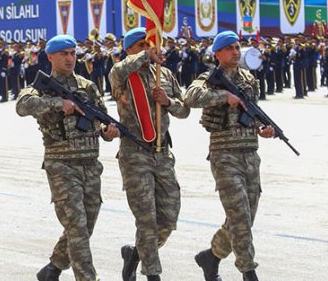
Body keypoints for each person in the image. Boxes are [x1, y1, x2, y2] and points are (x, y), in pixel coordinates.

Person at [16, 34, 119, 281]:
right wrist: (57, 103)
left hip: (91, 166)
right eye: (64, 54)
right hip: (62, 166)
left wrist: (109, 132)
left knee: (86, 226)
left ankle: (53, 269)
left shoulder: (87, 86)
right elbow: (22, 105)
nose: (70, 58)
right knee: (77, 229)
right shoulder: (41, 87)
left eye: (73, 53)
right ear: (50, 56)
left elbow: (101, 119)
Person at [183, 31, 276, 281]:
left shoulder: (248, 79)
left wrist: (263, 129)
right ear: (218, 54)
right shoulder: (209, 78)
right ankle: (248, 271)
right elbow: (190, 97)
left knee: (245, 218)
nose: (236, 52)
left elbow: (252, 113)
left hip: (249, 154)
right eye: (229, 48)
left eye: (237, 47)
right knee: (240, 216)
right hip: (224, 156)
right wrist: (224, 96)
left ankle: (211, 257)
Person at [108, 28, 190, 281]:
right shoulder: (121, 73)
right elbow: (120, 70)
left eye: (150, 43)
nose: (148, 47)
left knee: (168, 218)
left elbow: (184, 109)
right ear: (130, 49)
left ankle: (135, 255)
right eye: (142, 44)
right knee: (146, 219)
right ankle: (152, 274)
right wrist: (146, 56)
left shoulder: (163, 75)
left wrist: (167, 102)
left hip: (163, 154)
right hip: (135, 154)